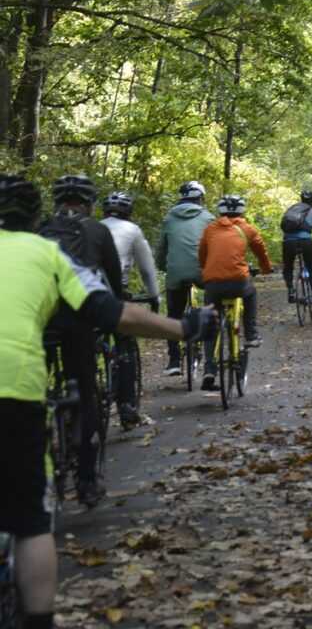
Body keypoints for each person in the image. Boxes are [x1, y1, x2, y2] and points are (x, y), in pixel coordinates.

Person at [0, 173, 215, 629]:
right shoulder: (48, 253)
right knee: (30, 520)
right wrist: (184, 328)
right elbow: (115, 310)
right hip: (15, 392)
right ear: (35, 217)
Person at [40, 174, 124, 506]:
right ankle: (87, 481)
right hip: (80, 318)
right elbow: (114, 281)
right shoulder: (98, 230)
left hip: (42, 319)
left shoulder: (40, 230)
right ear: (89, 202)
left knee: (35, 391)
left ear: (57, 201)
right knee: (86, 394)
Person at [198, 194, 274, 390]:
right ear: (241, 210)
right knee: (250, 293)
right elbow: (260, 250)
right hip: (238, 282)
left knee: (211, 324)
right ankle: (251, 334)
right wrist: (266, 268)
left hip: (213, 284)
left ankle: (209, 370)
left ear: (220, 211)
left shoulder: (210, 229)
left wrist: (207, 270)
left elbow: (202, 254)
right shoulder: (246, 228)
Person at [101, 191, 161, 429]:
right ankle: (127, 407)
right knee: (124, 343)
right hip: (115, 292)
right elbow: (147, 269)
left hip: (83, 291)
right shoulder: (132, 230)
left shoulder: (93, 227)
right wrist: (154, 296)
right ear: (129, 212)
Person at [156, 180, 213, 375]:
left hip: (176, 272)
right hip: (203, 272)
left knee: (173, 314)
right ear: (201, 199)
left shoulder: (169, 218)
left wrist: (163, 267)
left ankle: (173, 360)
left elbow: (161, 249)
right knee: (212, 307)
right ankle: (210, 362)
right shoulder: (208, 218)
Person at [281, 189, 312, 306]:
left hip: (288, 241)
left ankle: (291, 291)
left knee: (288, 267)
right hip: (306, 242)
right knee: (311, 268)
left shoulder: (292, 209)